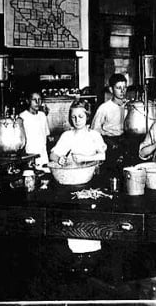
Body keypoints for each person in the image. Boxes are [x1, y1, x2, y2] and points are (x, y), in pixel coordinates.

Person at [49, 100, 107, 254]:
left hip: (90, 181)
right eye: (73, 117)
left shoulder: (94, 135)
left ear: (87, 116)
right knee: (72, 220)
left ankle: (92, 252)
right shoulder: (67, 135)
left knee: (89, 221)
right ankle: (74, 251)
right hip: (72, 181)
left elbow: (103, 155)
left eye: (80, 116)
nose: (77, 120)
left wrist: (83, 157)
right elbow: (53, 154)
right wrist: (59, 159)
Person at [91, 74, 131, 175]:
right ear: (111, 89)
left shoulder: (130, 106)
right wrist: (107, 143)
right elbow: (94, 131)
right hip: (110, 143)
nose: (122, 91)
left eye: (124, 87)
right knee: (111, 172)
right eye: (118, 88)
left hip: (126, 141)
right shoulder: (104, 108)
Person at [19, 91, 50, 171]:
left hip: (43, 155)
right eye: (34, 99)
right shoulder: (22, 117)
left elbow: (46, 135)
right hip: (30, 155)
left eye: (39, 99)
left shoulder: (42, 116)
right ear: (28, 101)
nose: (37, 102)